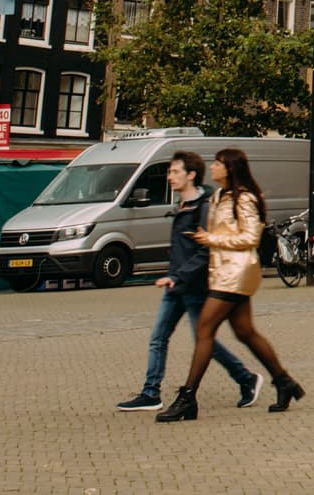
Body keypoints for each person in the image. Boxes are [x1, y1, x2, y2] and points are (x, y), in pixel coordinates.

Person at [155, 149, 302, 420]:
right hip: (222, 272)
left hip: (236, 272)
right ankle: (284, 382)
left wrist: (212, 240)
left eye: (217, 164)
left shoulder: (244, 198)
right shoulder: (217, 196)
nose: (211, 167)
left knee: (204, 329)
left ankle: (188, 397)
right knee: (246, 332)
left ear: (230, 169)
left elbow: (250, 238)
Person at [117, 152, 259, 412]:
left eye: (174, 172)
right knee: (159, 337)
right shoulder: (182, 206)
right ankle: (151, 393)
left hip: (194, 285)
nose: (170, 177)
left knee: (206, 341)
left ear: (190, 175)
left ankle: (246, 378)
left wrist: (178, 274)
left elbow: (206, 249)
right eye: (170, 172)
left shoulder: (204, 207)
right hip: (176, 284)